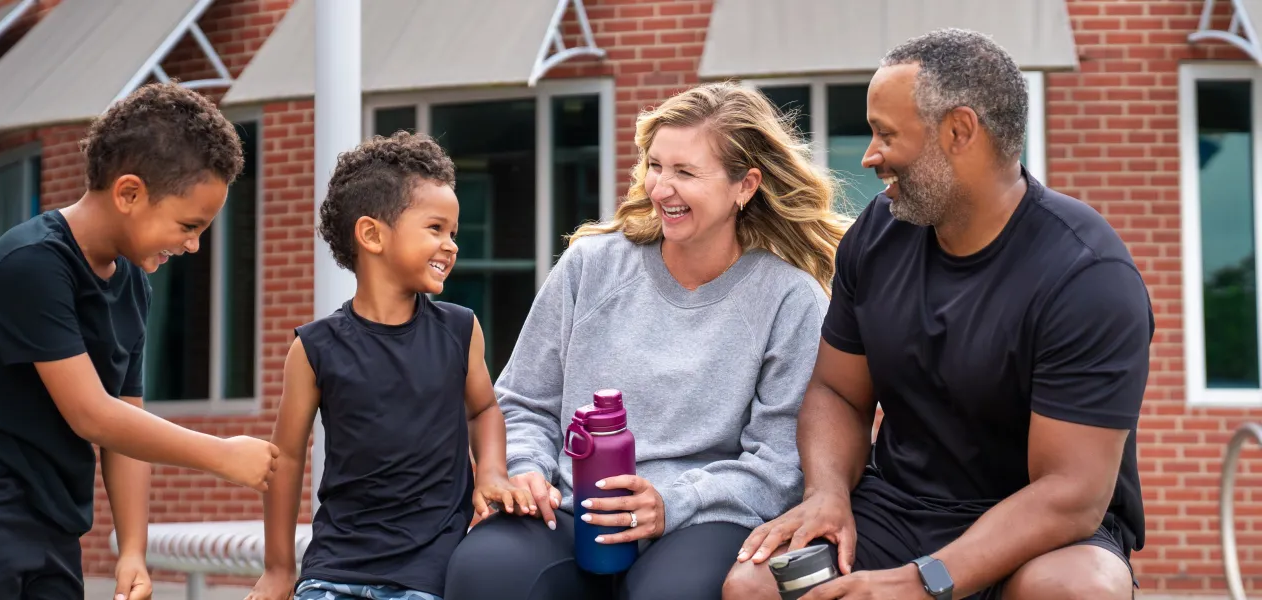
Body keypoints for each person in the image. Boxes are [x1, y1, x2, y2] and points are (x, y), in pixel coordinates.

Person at [722, 28, 1152, 600]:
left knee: (1076, 590)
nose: (870, 155)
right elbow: (837, 392)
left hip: (1040, 534)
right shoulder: (877, 234)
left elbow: (1070, 493)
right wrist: (827, 493)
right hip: (900, 509)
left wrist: (921, 583)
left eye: (886, 135)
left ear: (959, 131)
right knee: (755, 584)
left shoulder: (1087, 276)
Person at [443, 81, 851, 600]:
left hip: (700, 519)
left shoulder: (789, 299)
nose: (660, 188)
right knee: (485, 571)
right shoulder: (591, 266)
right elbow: (525, 402)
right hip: (569, 506)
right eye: (656, 166)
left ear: (744, 186)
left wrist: (670, 502)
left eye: (685, 172)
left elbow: (778, 467)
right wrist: (526, 472)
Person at [0, 82, 281, 600]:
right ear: (129, 193)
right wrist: (221, 454)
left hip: (51, 519)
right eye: (188, 224)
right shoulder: (31, 265)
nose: (194, 244)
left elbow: (126, 425)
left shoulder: (133, 284)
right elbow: (91, 415)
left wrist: (132, 549)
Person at [243, 131, 533, 600]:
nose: (451, 245)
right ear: (372, 235)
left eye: (453, 233)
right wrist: (279, 569)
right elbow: (286, 459)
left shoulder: (461, 331)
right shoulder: (315, 348)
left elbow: (483, 410)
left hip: (429, 572)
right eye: (435, 229)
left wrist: (492, 473)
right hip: (334, 567)